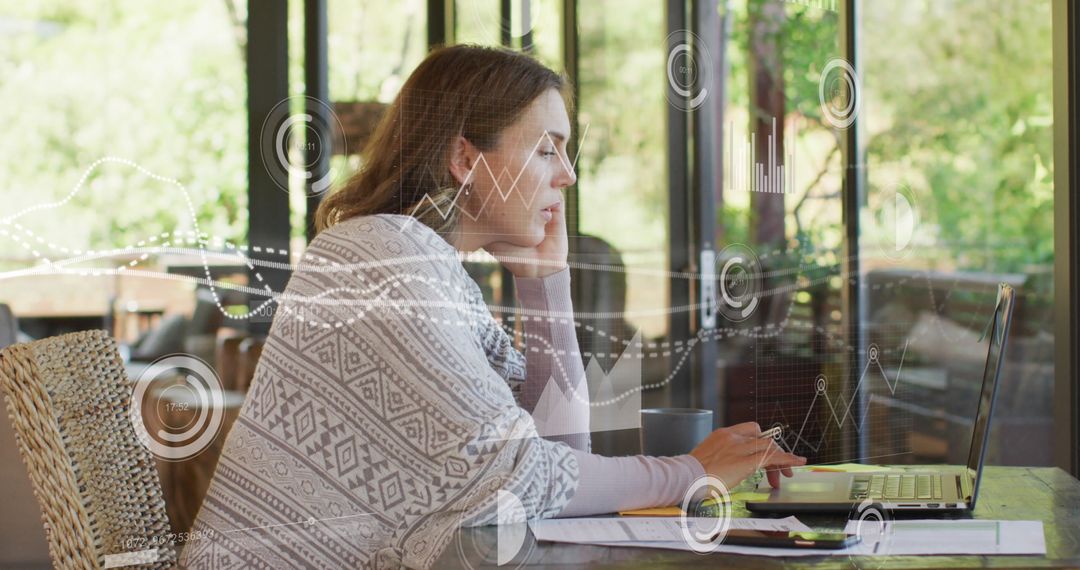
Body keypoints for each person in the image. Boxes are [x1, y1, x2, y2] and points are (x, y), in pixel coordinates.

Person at [179, 44, 805, 569]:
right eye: (546, 148)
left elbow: (562, 451)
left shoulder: (426, 268)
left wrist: (544, 283)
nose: (568, 176)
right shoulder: (379, 259)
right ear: (463, 160)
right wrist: (691, 472)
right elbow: (525, 476)